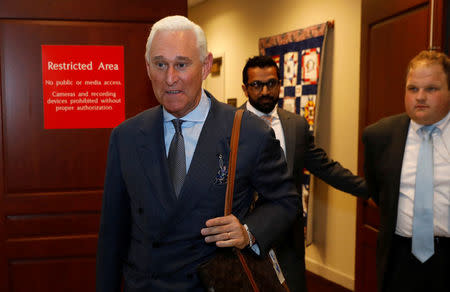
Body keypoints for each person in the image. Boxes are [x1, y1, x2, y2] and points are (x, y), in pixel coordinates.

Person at [96, 16, 299, 292]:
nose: (170, 78)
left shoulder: (249, 133)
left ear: (205, 66)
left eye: (181, 64)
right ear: (147, 68)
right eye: (160, 65)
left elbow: (285, 201)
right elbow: (112, 234)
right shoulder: (127, 137)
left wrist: (247, 232)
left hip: (212, 284)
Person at [240, 55, 368, 292]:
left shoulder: (296, 125)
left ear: (280, 84)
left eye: (271, 83)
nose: (265, 91)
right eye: (257, 85)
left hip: (289, 238)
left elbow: (325, 167)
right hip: (246, 236)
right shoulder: (231, 124)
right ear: (245, 89)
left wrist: (369, 189)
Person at [362, 50, 450, 292]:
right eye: (413, 89)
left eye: (431, 89)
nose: (420, 97)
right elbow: (379, 193)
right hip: (399, 258)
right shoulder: (378, 136)